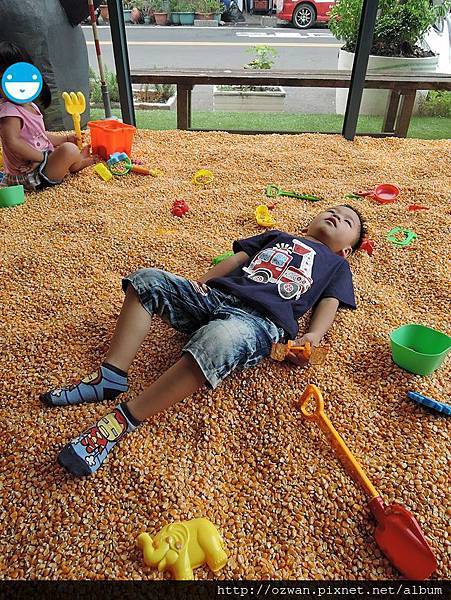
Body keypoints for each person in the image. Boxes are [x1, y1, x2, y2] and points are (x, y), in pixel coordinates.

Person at [40, 205, 366, 477]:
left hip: (259, 321)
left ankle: (123, 420)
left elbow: (329, 302)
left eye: (347, 221)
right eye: (333, 211)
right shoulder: (277, 236)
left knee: (219, 340)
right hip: (215, 297)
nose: (337, 216)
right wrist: (197, 286)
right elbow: (235, 262)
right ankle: (111, 375)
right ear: (309, 221)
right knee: (147, 280)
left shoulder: (337, 265)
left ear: (347, 250)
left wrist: (314, 335)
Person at [0, 42, 96, 192]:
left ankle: (75, 163)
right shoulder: (9, 111)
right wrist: (40, 157)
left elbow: (39, 136)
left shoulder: (30, 105)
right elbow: (12, 142)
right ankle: (76, 163)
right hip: (27, 175)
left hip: (41, 164)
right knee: (69, 150)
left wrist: (64, 138)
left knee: (67, 147)